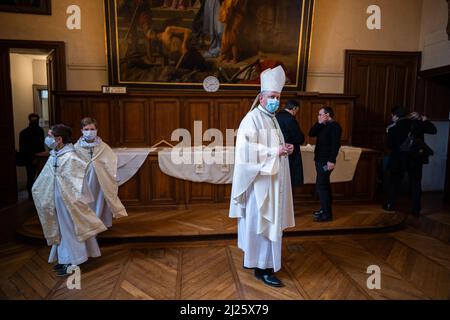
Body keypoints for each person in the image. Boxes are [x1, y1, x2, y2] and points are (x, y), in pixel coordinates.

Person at [229, 65, 295, 287]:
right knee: (262, 223)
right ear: (261, 97)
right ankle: (262, 267)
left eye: (278, 96)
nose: (276, 100)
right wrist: (273, 152)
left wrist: (284, 148)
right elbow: (246, 150)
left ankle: (262, 263)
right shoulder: (252, 118)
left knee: (269, 223)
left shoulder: (273, 119)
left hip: (273, 182)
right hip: (261, 185)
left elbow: (273, 146)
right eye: (272, 96)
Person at [32, 124, 107, 276]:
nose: (48, 139)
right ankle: (66, 259)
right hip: (57, 201)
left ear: (58, 139)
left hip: (69, 203)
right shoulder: (55, 155)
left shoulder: (71, 157)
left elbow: (80, 184)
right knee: (62, 231)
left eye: (50, 136)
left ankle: (74, 261)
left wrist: (78, 202)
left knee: (71, 231)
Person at [74, 117, 128, 228]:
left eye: (92, 129)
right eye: (86, 129)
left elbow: (112, 161)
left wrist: (109, 174)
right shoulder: (76, 148)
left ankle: (102, 223)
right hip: (85, 181)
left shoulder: (103, 147)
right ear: (82, 130)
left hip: (101, 181)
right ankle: (88, 224)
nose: (89, 132)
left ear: (96, 130)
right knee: (87, 202)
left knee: (100, 201)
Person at [383, 107, 437, 215]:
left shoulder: (393, 128)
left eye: (392, 115)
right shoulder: (417, 124)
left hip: (398, 159)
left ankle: (390, 204)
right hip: (415, 159)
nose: (391, 117)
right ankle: (416, 210)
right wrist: (424, 119)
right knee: (416, 184)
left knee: (394, 183)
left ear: (396, 116)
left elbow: (389, 145)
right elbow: (433, 130)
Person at [308, 106, 342, 222]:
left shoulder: (335, 126)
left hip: (326, 161)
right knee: (324, 185)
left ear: (327, 115)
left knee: (321, 186)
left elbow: (335, 145)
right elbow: (311, 133)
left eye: (320, 114)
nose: (318, 116)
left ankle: (327, 214)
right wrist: (319, 123)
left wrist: (332, 160)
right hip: (319, 159)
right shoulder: (323, 125)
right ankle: (324, 209)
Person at [275, 100, 305, 188]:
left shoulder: (276, 116)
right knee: (289, 180)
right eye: (297, 110)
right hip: (290, 153)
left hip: (277, 150)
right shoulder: (290, 119)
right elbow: (299, 138)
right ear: (294, 108)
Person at [18, 113, 46, 199]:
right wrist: (33, 158)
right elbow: (23, 148)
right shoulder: (25, 133)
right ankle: (31, 195)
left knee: (39, 177)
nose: (34, 122)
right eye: (33, 120)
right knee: (31, 177)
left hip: (39, 158)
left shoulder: (39, 131)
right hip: (31, 158)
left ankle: (36, 195)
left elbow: (41, 145)